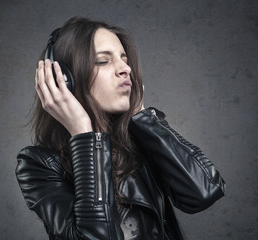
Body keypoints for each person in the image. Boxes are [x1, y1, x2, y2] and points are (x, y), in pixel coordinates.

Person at [15, 16, 225, 240]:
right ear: (64, 80)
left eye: (124, 59)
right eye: (103, 61)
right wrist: (86, 136)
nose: (126, 69)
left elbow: (204, 192)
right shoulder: (38, 165)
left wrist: (142, 117)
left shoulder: (142, 136)